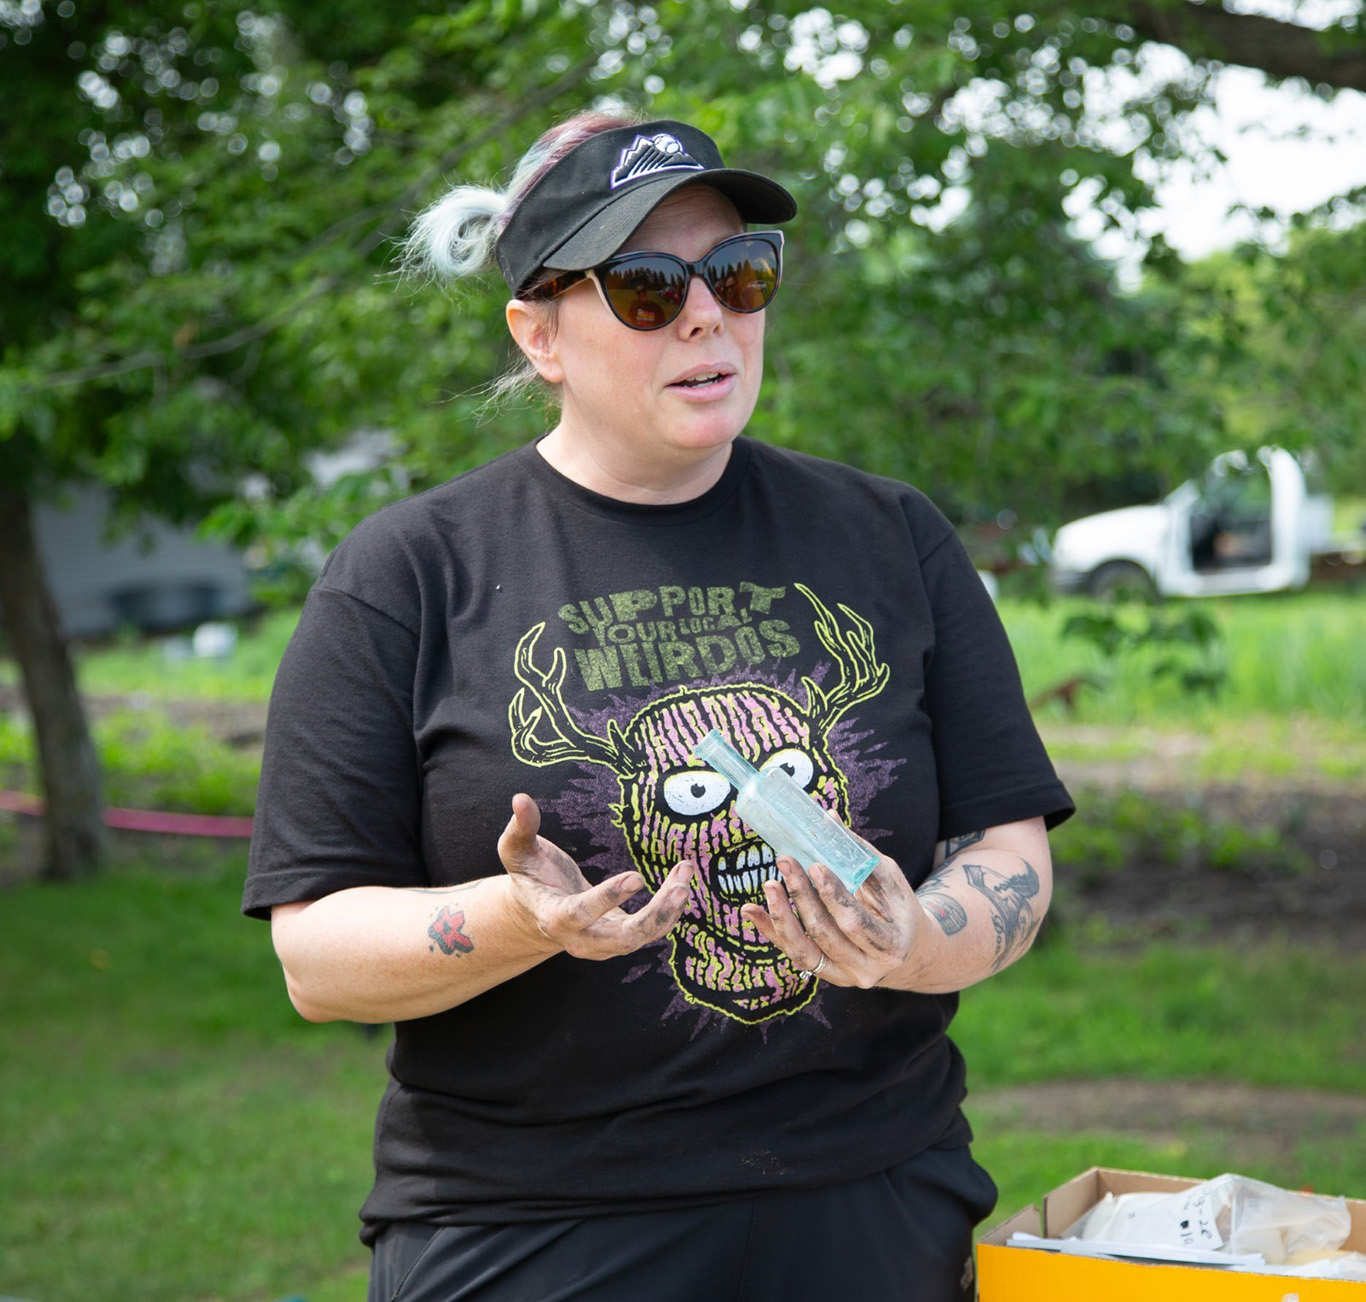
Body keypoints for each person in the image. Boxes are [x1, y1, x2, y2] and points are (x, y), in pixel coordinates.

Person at [243, 112, 1074, 1302]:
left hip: (870, 1201)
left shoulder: (889, 535)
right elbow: (314, 959)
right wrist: (521, 920)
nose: (707, 315)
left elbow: (1007, 849)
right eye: (644, 286)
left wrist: (910, 944)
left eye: (739, 275)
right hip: (534, 1224)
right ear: (539, 333)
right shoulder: (408, 573)